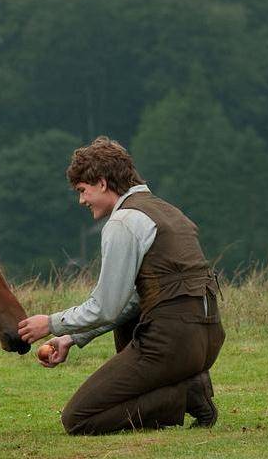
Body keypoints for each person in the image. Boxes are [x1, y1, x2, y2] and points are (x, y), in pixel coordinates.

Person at [18, 136, 224, 435]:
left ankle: (187, 393)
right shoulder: (167, 211)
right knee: (124, 338)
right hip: (206, 340)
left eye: (82, 190)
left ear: (102, 183)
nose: (81, 200)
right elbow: (134, 301)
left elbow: (107, 306)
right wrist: (72, 338)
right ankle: (188, 385)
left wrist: (50, 324)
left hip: (171, 345)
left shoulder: (124, 222)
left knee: (78, 419)